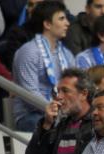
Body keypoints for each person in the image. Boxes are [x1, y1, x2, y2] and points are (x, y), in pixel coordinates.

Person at [22, 68, 94, 154]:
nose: (59, 97)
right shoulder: (59, 125)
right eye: (58, 91)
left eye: (65, 91)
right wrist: (46, 125)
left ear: (83, 94)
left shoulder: (98, 124)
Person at [12, 1, 75, 132]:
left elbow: (75, 87)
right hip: (30, 116)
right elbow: (29, 93)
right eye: (61, 19)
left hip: (61, 113)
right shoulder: (29, 51)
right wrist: (57, 111)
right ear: (47, 24)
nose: (67, 23)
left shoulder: (67, 54)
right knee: (61, 128)